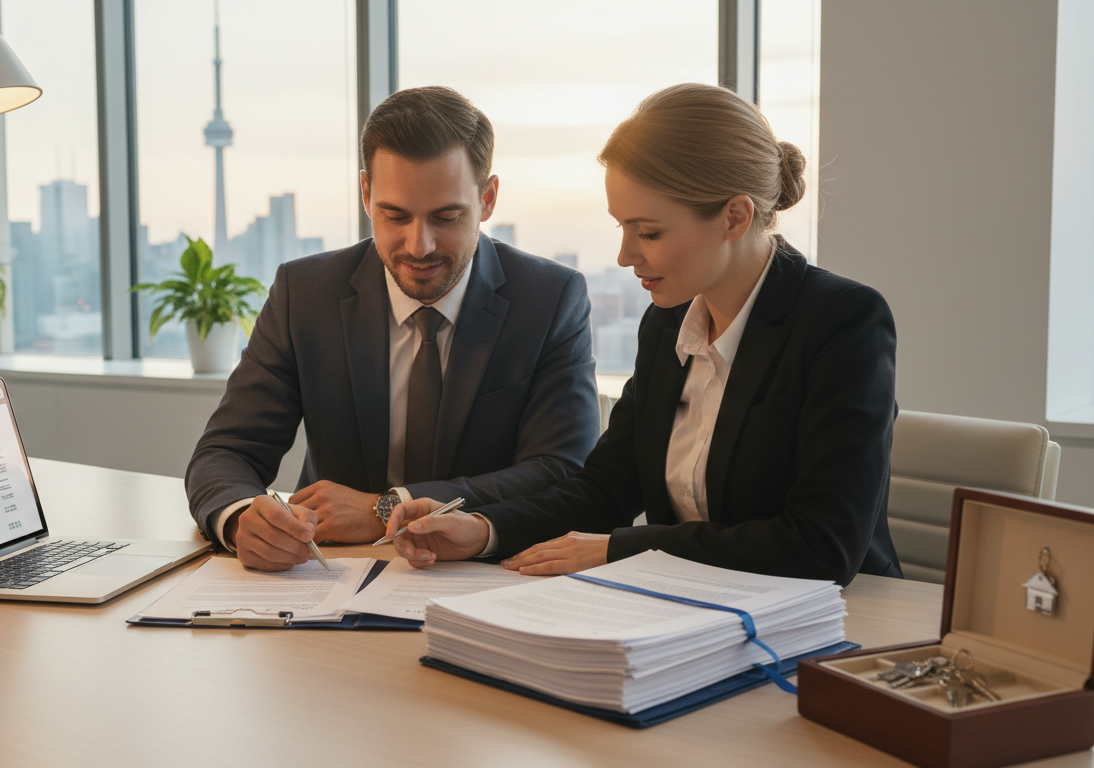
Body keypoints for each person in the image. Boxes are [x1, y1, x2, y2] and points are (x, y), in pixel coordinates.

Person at [387, 83, 902, 587]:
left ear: (735, 217)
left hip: (841, 622)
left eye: (649, 232)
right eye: (622, 229)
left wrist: (618, 550)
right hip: (691, 611)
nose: (625, 256)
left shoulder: (842, 322)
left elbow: (822, 544)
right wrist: (483, 529)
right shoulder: (668, 323)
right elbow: (605, 488)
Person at [186, 86, 601, 570]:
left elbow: (562, 469)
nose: (419, 245)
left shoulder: (549, 299)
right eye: (395, 215)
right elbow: (226, 449)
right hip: (331, 574)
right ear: (366, 195)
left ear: (487, 199)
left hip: (484, 575)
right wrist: (240, 520)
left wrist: (384, 507)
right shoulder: (305, 293)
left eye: (446, 217)